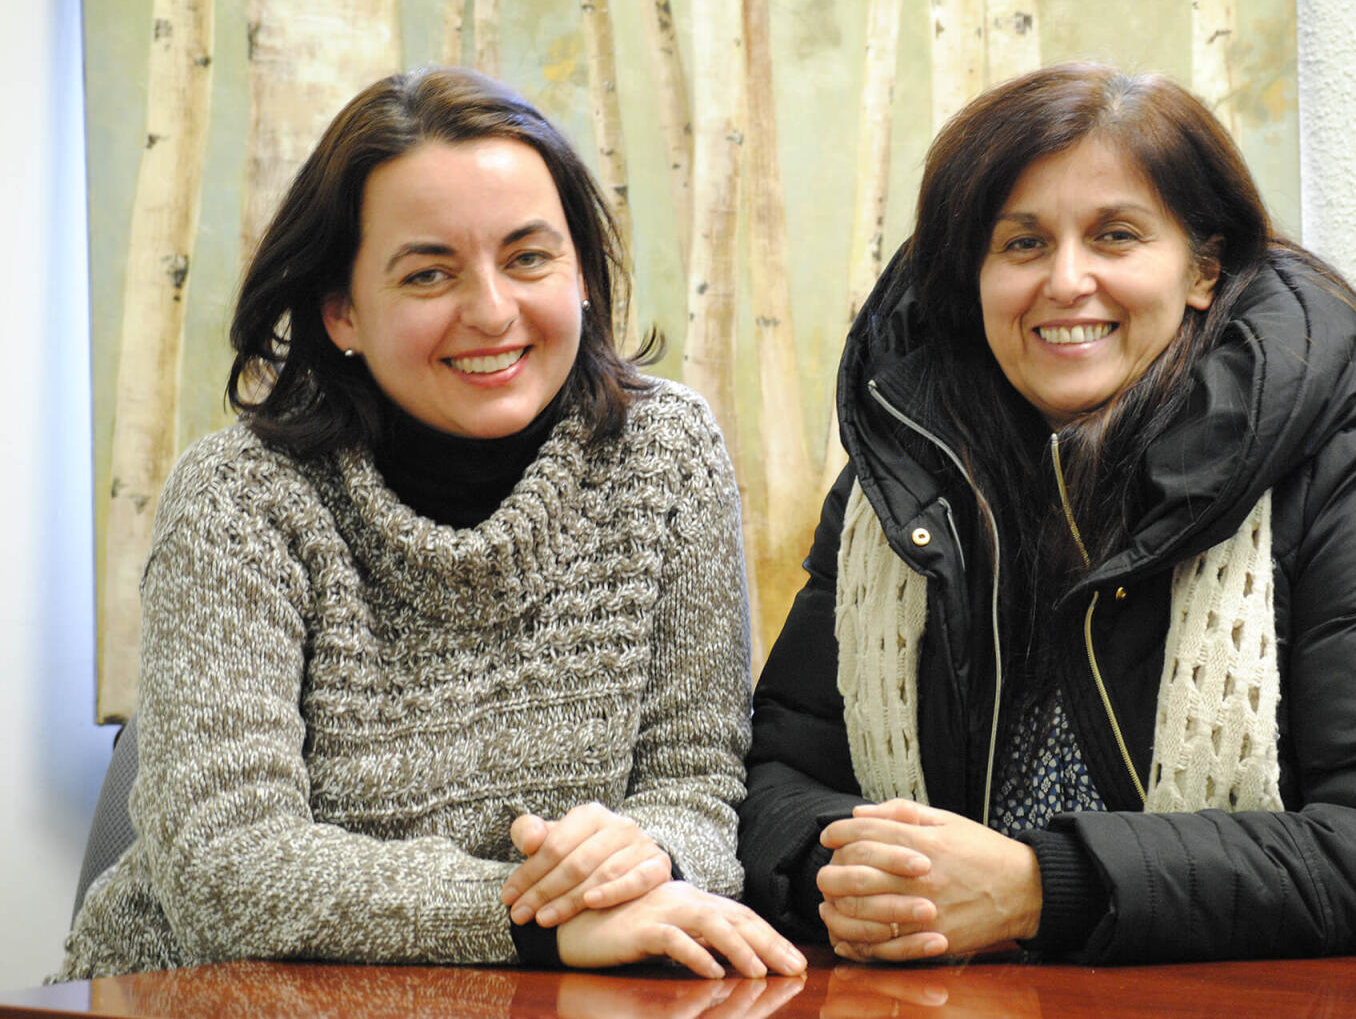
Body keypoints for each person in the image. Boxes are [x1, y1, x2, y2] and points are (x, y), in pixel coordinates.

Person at [738, 62, 1356, 966]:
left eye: (1116, 236)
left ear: (1203, 268)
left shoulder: (1338, 477)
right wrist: (852, 873)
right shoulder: (894, 493)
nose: (1067, 281)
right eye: (1022, 244)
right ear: (972, 279)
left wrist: (1041, 888)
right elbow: (780, 775)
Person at [57, 67, 803, 982]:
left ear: (580, 273)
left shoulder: (668, 450)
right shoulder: (239, 497)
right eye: (428, 272)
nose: (491, 311)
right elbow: (224, 868)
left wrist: (645, 863)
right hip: (211, 996)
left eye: (529, 257)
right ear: (342, 312)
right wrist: (529, 920)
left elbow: (698, 786)